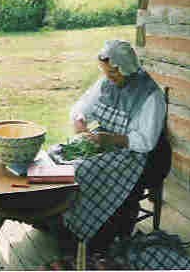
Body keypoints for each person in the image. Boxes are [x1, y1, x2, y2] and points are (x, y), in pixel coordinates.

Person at [48, 39, 166, 254]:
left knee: (81, 172)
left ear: (127, 68)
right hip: (104, 141)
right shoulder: (107, 82)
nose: (108, 78)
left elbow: (147, 141)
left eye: (113, 73)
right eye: (106, 73)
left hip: (134, 154)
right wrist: (80, 119)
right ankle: (57, 220)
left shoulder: (151, 96)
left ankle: (90, 231)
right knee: (54, 157)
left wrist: (111, 139)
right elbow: (84, 105)